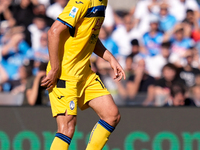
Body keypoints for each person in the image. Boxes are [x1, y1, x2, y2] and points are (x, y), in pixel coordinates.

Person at [41, 0, 126, 150]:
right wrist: (54, 69)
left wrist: (109, 57)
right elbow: (53, 32)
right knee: (67, 128)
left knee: (112, 115)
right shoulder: (82, 1)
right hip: (65, 73)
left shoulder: (103, 2)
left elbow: (89, 36)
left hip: (84, 73)